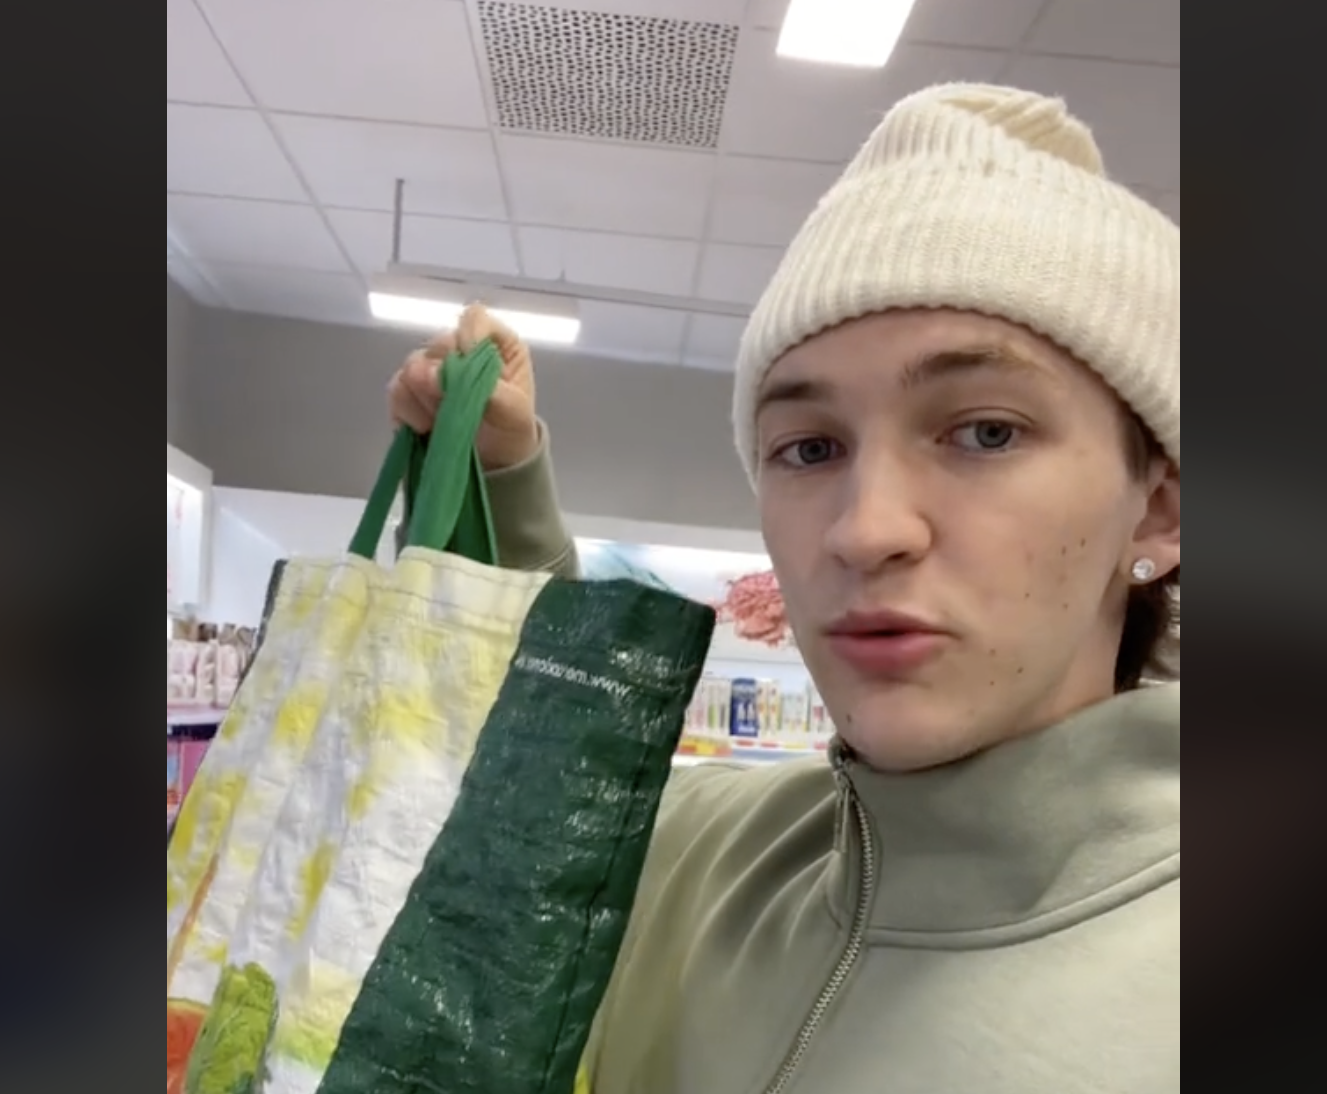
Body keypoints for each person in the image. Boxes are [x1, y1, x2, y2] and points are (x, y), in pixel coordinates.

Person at [390, 83, 1180, 1094]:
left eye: (984, 430)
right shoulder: (708, 858)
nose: (863, 528)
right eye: (807, 446)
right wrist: (495, 481)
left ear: (1155, 509)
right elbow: (528, 775)